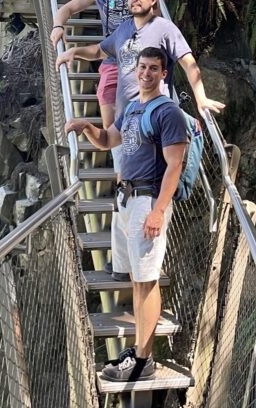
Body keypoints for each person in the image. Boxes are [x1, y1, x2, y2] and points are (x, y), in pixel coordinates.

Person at [66, 47, 188, 381]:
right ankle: (137, 352)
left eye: (154, 68)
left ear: (164, 74)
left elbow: (174, 165)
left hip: (148, 200)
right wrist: (87, 127)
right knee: (137, 280)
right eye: (142, 67)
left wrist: (159, 211)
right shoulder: (133, 107)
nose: (146, 73)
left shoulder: (168, 113)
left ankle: (144, 360)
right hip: (128, 198)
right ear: (135, 70)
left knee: (147, 281)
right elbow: (108, 140)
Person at [56, 0, 224, 120]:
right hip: (126, 119)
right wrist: (74, 52)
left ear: (153, 0)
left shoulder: (165, 28)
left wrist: (201, 98)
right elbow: (99, 51)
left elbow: (189, 63)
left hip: (154, 114)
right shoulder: (123, 29)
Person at [50, 0, 136, 210]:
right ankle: (122, 179)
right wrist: (57, 26)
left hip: (135, 59)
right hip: (110, 58)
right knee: (110, 123)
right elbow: (67, 8)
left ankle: (130, 177)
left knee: (131, 117)